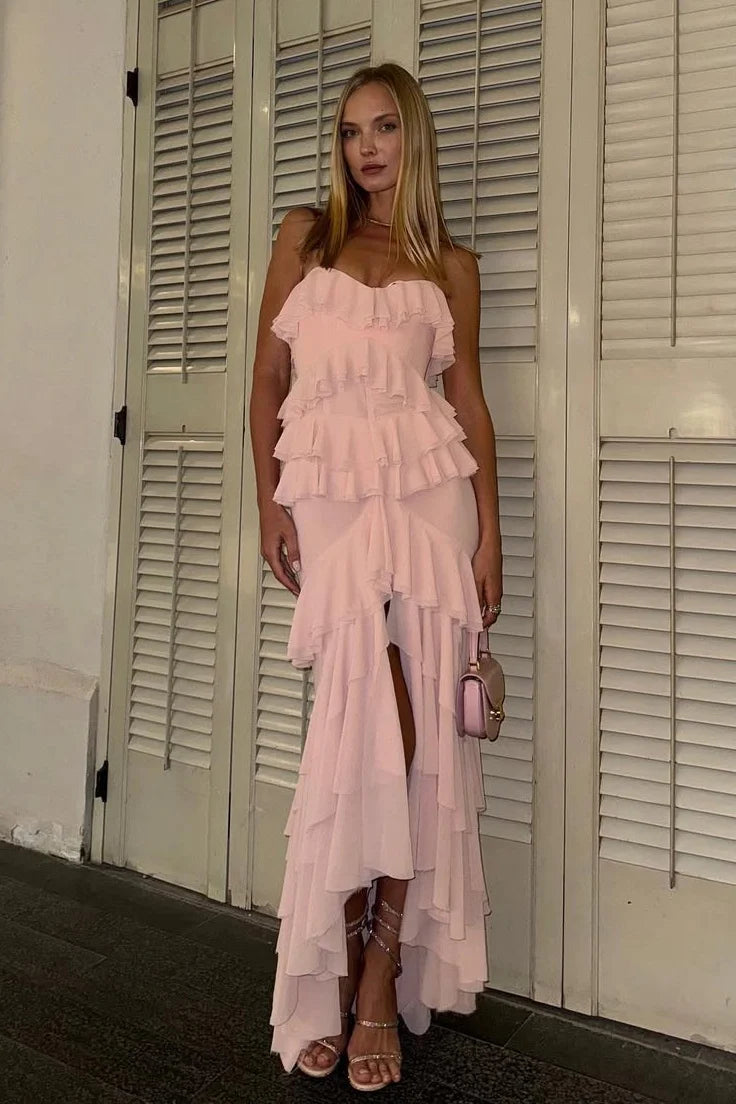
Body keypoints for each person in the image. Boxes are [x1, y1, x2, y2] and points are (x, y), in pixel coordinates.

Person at [249, 60, 502, 1093]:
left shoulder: (451, 265)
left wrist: (490, 537)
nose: (366, 148)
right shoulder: (303, 237)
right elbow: (268, 378)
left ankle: (375, 976)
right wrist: (267, 501)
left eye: (385, 127)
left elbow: (468, 401)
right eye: (352, 131)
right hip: (330, 498)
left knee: (421, 739)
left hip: (430, 500)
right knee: (360, 723)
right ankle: (341, 961)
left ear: (413, 136)